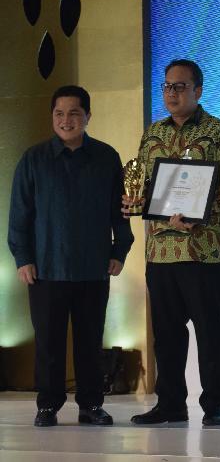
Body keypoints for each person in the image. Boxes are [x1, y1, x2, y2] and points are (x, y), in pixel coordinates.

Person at [127, 59, 220, 426]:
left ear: (198, 90)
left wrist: (200, 212)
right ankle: (171, 404)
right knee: (166, 334)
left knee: (209, 330)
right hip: (161, 250)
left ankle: (214, 405)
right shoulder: (153, 134)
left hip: (204, 250)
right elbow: (145, 188)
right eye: (166, 86)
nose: (171, 93)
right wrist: (136, 202)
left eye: (180, 87)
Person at [8, 85, 134, 427]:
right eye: (59, 114)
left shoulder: (107, 158)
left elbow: (118, 211)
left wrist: (119, 250)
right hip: (45, 268)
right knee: (48, 343)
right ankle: (47, 405)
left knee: (90, 342)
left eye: (74, 113)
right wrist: (23, 258)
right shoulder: (33, 159)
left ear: (87, 117)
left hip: (93, 267)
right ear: (53, 117)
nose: (66, 120)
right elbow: (20, 215)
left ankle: (90, 405)